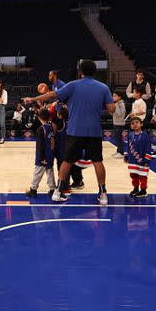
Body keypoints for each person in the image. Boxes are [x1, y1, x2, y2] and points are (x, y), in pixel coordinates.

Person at [24, 59, 115, 205]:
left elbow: (52, 95)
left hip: (75, 130)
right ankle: (103, 194)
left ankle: (58, 192)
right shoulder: (103, 88)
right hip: (94, 131)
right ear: (95, 71)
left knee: (67, 161)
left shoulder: (72, 85)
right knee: (98, 161)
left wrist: (33, 98)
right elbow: (112, 109)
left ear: (80, 72)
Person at [25, 108, 56, 197]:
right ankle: (52, 189)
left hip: (43, 155)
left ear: (39, 118)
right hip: (50, 154)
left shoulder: (41, 129)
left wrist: (42, 158)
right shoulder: (52, 127)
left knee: (37, 172)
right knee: (50, 172)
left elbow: (40, 146)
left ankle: (33, 190)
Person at [124, 117, 152, 198]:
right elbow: (128, 146)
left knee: (142, 175)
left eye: (137, 122)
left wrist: (147, 160)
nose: (135, 124)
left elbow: (148, 149)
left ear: (141, 124)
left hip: (142, 160)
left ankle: (143, 190)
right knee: (133, 174)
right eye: (132, 123)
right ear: (130, 126)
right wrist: (126, 155)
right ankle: (135, 188)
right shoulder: (130, 135)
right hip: (132, 160)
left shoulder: (145, 136)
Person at [112, 91, 126, 159]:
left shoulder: (121, 104)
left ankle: (121, 152)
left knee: (119, 138)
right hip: (116, 122)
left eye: (115, 96)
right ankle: (118, 150)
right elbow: (114, 113)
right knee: (116, 137)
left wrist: (115, 106)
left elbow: (120, 114)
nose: (113, 97)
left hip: (119, 123)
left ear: (119, 97)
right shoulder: (117, 104)